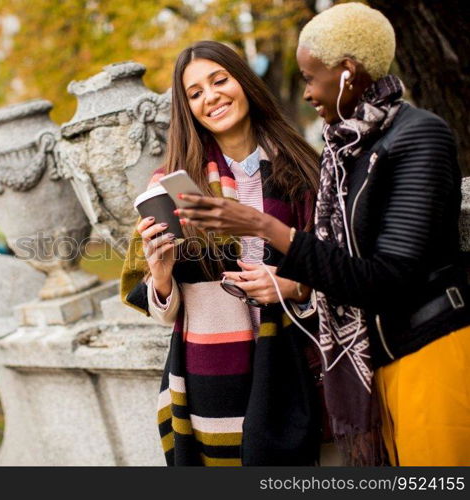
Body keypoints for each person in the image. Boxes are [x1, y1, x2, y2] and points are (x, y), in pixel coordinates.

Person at [176, 3, 470, 466]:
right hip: (371, 357)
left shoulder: (415, 136)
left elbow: (390, 272)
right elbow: (343, 261)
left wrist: (270, 240)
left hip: (422, 345)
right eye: (194, 92)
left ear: (348, 73)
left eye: (311, 77)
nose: (308, 91)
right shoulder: (344, 151)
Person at [121, 41, 322, 466]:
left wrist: (292, 287)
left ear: (243, 82)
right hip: (214, 370)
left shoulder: (301, 167)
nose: (210, 97)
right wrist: (159, 274)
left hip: (293, 359)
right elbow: (156, 303)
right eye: (195, 93)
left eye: (219, 80)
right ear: (187, 107)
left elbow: (337, 264)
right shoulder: (169, 183)